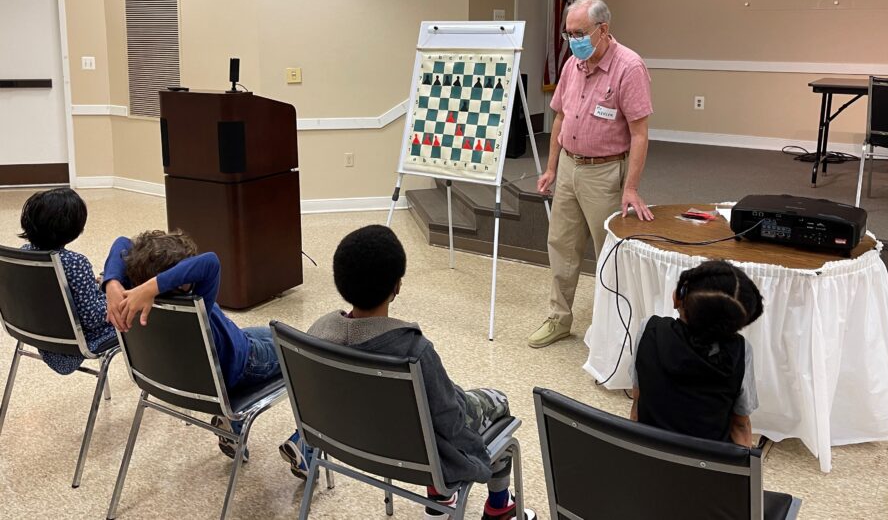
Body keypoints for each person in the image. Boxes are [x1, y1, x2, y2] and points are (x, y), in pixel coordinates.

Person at [299, 225, 535, 520]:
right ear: (397, 286)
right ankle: (499, 506)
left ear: (340, 282)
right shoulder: (413, 351)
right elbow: (451, 423)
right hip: (422, 455)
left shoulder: (317, 333)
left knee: (430, 405)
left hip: (357, 441)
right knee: (497, 400)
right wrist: (471, 457)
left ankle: (439, 499)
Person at [529, 0, 654, 349]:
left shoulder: (629, 67)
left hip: (604, 172)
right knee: (562, 245)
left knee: (609, 253)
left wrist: (631, 188)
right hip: (570, 166)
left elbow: (640, 134)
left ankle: (612, 329)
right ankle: (559, 318)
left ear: (603, 29)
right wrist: (552, 168)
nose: (574, 41)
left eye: (579, 33)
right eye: (569, 34)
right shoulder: (573, 64)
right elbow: (560, 117)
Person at [102, 230, 282, 460]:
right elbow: (210, 262)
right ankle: (303, 445)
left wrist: (112, 282)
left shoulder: (130, 296)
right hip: (242, 363)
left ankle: (231, 427)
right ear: (182, 282)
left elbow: (122, 242)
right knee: (300, 351)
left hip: (204, 361)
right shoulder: (194, 300)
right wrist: (152, 287)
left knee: (274, 332)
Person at [629, 260, 764, 446]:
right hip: (707, 460)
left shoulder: (649, 329)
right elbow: (740, 425)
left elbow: (637, 402)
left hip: (650, 451)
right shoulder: (740, 351)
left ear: (678, 298)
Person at [16, 188, 116, 375]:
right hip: (79, 340)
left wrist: (92, 286)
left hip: (39, 332)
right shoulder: (75, 263)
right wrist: (113, 294)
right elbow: (93, 319)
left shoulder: (23, 253)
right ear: (74, 228)